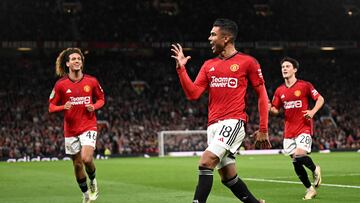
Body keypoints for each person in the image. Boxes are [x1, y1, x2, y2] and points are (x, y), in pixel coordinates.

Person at [171, 18, 270, 203]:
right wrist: (181, 70)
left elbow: (262, 95)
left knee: (205, 162)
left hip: (233, 121)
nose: (209, 38)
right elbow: (193, 94)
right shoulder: (209, 65)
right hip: (213, 125)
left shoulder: (247, 62)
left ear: (226, 38)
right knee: (228, 177)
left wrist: (263, 128)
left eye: (213, 34)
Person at [48, 48, 105, 203]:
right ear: (67, 63)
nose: (77, 61)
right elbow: (51, 107)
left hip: (88, 125)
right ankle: (85, 194)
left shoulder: (91, 81)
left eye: (79, 59)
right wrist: (62, 107)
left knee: (86, 159)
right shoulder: (61, 85)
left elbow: (101, 99)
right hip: (71, 130)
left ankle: (93, 181)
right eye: (73, 59)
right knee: (78, 165)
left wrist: (94, 106)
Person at [269, 57, 324, 200]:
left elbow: (320, 99)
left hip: (303, 128)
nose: (284, 69)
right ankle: (310, 189)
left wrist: (312, 112)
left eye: (287, 66)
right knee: (296, 162)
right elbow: (276, 110)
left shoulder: (305, 86)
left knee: (299, 155)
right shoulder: (279, 90)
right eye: (283, 67)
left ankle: (314, 168)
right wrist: (269, 108)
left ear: (295, 69)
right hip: (288, 132)